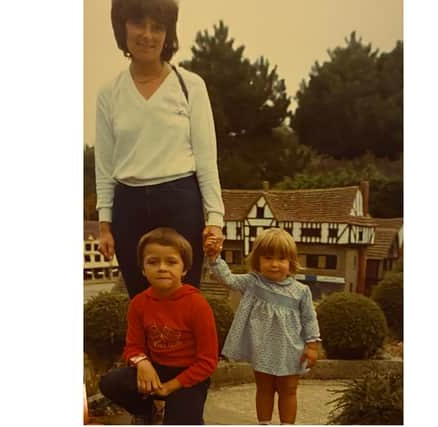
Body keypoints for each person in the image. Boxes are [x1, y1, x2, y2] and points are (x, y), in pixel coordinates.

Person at [95, 0, 224, 299]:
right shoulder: (109, 93)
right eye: (139, 24)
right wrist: (105, 225)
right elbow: (104, 166)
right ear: (122, 26)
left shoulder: (190, 85)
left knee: (183, 302)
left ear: (168, 34)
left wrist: (214, 219)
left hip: (180, 203)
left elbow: (206, 159)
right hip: (129, 208)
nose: (147, 35)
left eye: (157, 27)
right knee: (142, 304)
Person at [100, 227, 218, 425]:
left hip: (189, 377)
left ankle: (178, 410)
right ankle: (145, 411)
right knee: (111, 383)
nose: (162, 268)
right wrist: (142, 363)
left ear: (185, 268)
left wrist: (170, 387)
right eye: (153, 262)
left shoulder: (197, 305)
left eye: (171, 262)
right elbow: (133, 347)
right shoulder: (139, 303)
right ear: (143, 269)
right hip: (155, 370)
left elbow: (207, 362)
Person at [203, 228, 321, 425]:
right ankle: (264, 423)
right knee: (264, 389)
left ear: (291, 262)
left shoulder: (301, 291)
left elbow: (310, 318)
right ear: (257, 260)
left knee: (289, 389)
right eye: (268, 258)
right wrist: (215, 257)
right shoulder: (253, 282)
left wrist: (312, 346)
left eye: (281, 259)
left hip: (291, 349)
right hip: (263, 348)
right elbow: (229, 279)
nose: (274, 264)